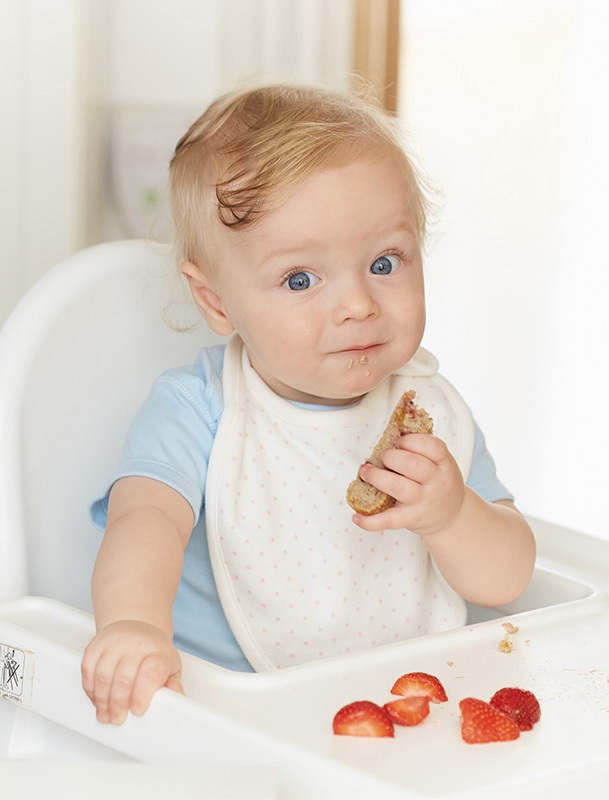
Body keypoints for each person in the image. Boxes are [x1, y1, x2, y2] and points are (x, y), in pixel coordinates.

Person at [81, 82, 536, 726]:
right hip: (236, 714)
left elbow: (508, 580)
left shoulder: (429, 408)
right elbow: (144, 523)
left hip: (407, 712)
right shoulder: (203, 410)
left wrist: (452, 513)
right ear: (215, 301)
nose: (358, 303)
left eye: (385, 262)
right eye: (301, 279)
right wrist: (132, 627)